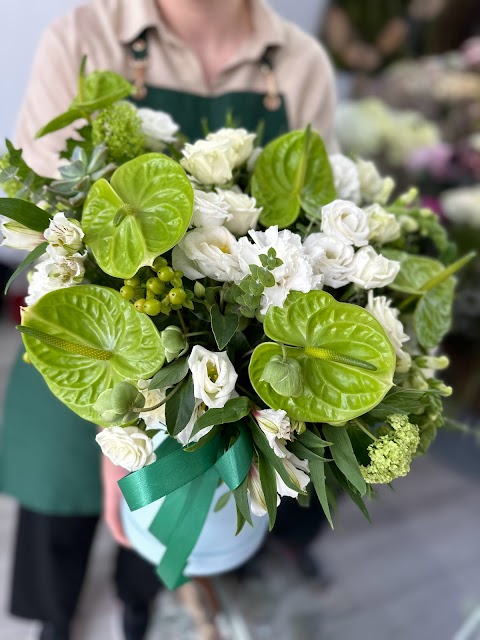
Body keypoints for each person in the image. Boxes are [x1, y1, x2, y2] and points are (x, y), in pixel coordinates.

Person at [1, 1, 339, 639]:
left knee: (162, 518)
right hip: (88, 340)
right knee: (57, 504)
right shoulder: (83, 37)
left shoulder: (299, 64)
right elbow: (45, 228)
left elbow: (316, 235)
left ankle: (139, 607)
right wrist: (127, 418)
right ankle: (53, 620)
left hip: (221, 359)